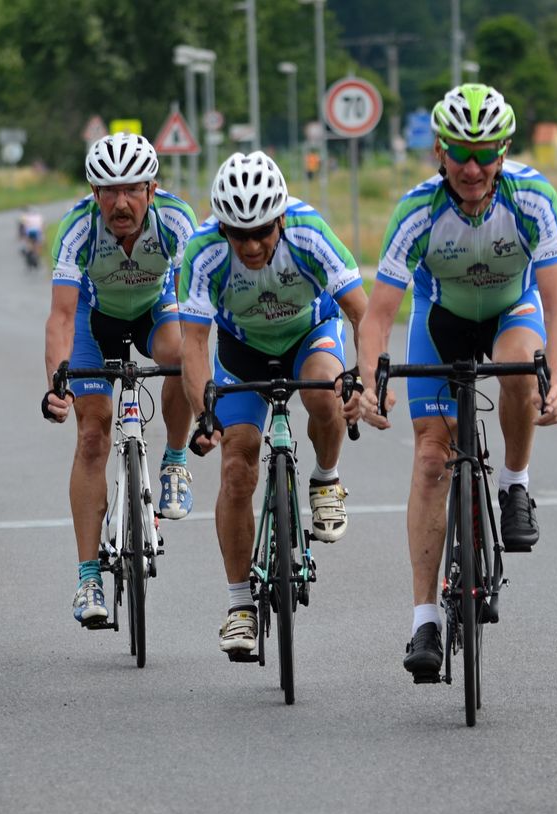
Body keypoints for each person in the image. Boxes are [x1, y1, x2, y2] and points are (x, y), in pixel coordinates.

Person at [356, 84, 557, 679]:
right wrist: (370, 382)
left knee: (520, 370)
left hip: (511, 312)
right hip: (442, 321)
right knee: (432, 456)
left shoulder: (533, 197)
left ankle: (514, 483)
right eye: (459, 153)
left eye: (484, 154)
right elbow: (378, 317)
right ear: (439, 152)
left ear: (503, 151)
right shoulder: (417, 211)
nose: (472, 168)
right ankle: (425, 618)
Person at [179, 151, 367, 658]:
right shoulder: (203, 250)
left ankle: (326, 479)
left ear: (281, 218)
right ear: (222, 227)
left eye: (262, 231)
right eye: (238, 234)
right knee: (237, 466)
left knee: (324, 390)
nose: (252, 245)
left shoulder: (309, 232)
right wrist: (204, 414)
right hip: (242, 353)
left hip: (309, 333)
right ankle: (240, 605)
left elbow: (361, 312)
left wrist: (364, 381)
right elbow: (193, 344)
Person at [40, 132, 198, 627]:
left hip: (154, 310)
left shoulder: (176, 220)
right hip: (95, 320)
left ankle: (174, 462)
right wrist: (56, 385)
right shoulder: (77, 228)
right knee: (93, 434)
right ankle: (88, 577)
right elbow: (60, 317)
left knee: (180, 356)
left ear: (152, 189)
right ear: (94, 193)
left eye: (132, 189)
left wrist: (207, 391)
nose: (121, 202)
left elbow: (195, 317)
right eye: (109, 191)